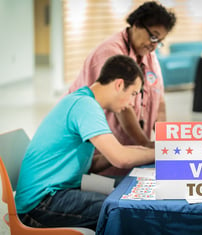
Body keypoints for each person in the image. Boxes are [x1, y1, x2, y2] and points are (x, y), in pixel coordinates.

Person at [15, 55, 155, 231]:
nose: (132, 103)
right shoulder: (85, 106)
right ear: (119, 85)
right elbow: (120, 159)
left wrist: (137, 150)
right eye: (133, 94)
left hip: (60, 189)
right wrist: (160, 153)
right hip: (40, 203)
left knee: (131, 184)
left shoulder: (82, 101)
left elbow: (91, 164)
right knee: (123, 208)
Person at [68, 1, 176, 151]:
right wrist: (144, 143)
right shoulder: (111, 52)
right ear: (137, 24)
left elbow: (159, 101)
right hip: (98, 146)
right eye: (153, 37)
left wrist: (164, 143)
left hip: (132, 146)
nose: (154, 45)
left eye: (160, 41)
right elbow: (123, 106)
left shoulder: (149, 55)